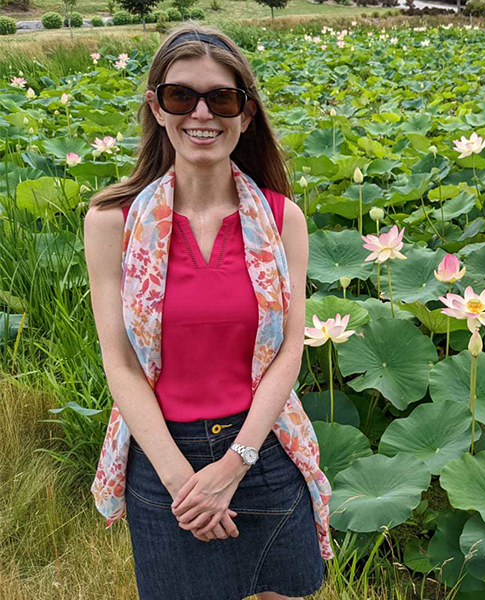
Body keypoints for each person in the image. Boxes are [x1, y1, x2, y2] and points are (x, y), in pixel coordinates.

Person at [83, 24, 330, 600]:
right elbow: (118, 362)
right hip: (164, 461)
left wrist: (235, 464)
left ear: (245, 115)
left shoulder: (281, 218)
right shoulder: (110, 222)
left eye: (221, 98)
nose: (201, 113)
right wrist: (184, 484)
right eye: (180, 96)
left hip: (264, 450)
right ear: (156, 107)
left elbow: (290, 348)